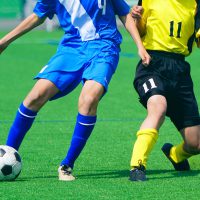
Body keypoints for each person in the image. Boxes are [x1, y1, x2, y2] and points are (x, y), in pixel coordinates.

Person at [0, 0, 151, 181]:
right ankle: (6, 154)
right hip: (71, 48)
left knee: (88, 100)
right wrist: (5, 41)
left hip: (104, 47)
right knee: (35, 96)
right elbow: (37, 16)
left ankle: (67, 165)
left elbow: (125, 14)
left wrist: (140, 46)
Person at [129, 0, 200, 181]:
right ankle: (137, 166)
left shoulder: (196, 4)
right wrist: (136, 18)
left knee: (195, 144)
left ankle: (175, 154)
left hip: (180, 70)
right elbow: (140, 28)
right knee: (158, 107)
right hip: (151, 65)